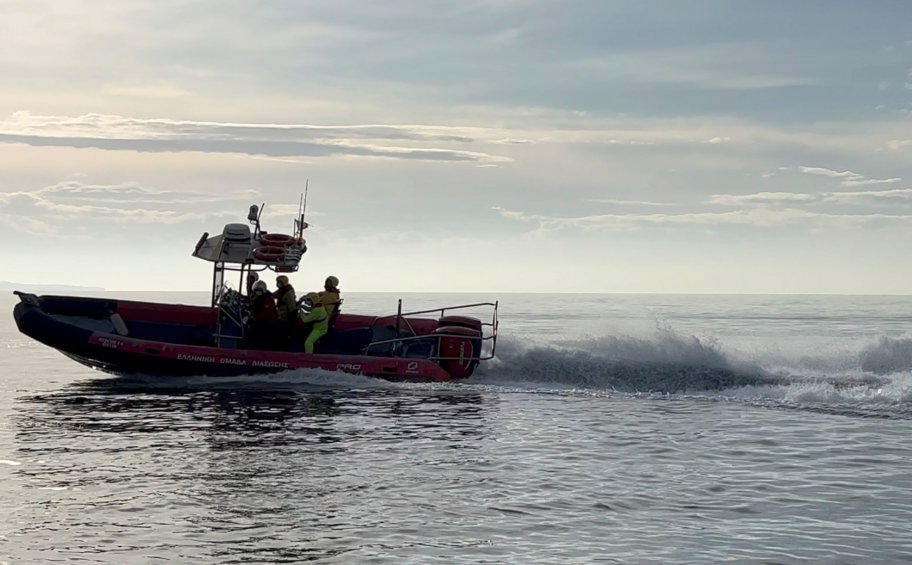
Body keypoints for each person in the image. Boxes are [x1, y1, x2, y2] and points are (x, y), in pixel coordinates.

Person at [246, 280, 278, 348]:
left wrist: (253, 317)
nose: (258, 292)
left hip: (267, 323)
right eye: (256, 290)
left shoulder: (268, 299)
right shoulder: (256, 298)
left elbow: (266, 313)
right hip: (261, 321)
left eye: (259, 290)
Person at [274, 275, 297, 344]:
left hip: (286, 315)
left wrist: (291, 317)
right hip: (281, 313)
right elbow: (273, 295)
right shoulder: (281, 290)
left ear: (283, 282)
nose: (277, 284)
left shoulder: (288, 292)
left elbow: (292, 307)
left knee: (284, 329)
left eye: (279, 282)